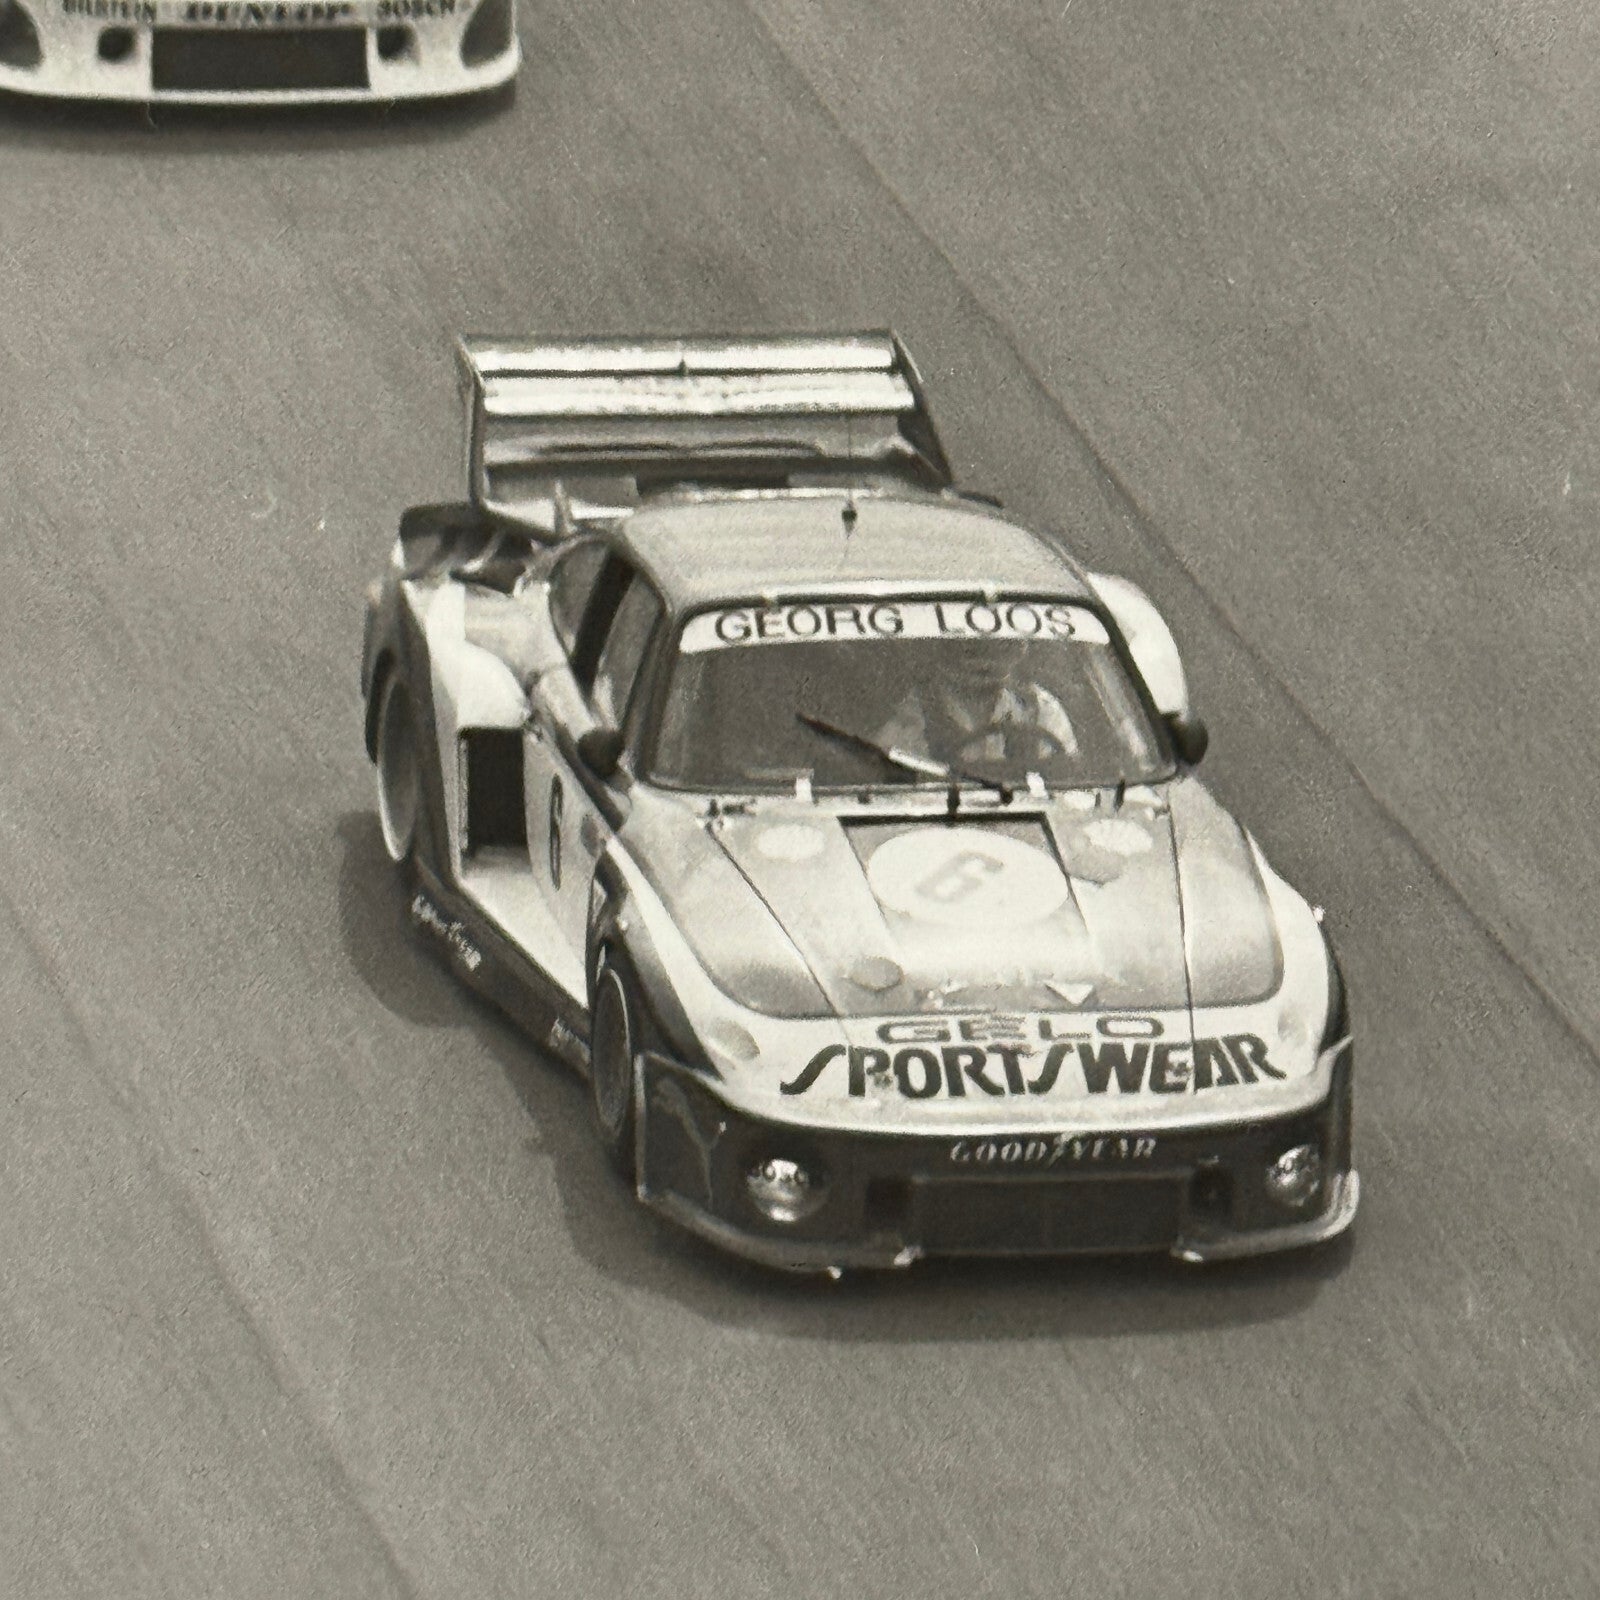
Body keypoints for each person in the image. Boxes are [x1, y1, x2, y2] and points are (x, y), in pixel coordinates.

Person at [873, 638, 1078, 769]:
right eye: (973, 648)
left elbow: (1070, 793)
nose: (986, 661)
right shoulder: (911, 719)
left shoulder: (1040, 711)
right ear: (947, 647)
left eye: (1000, 645)